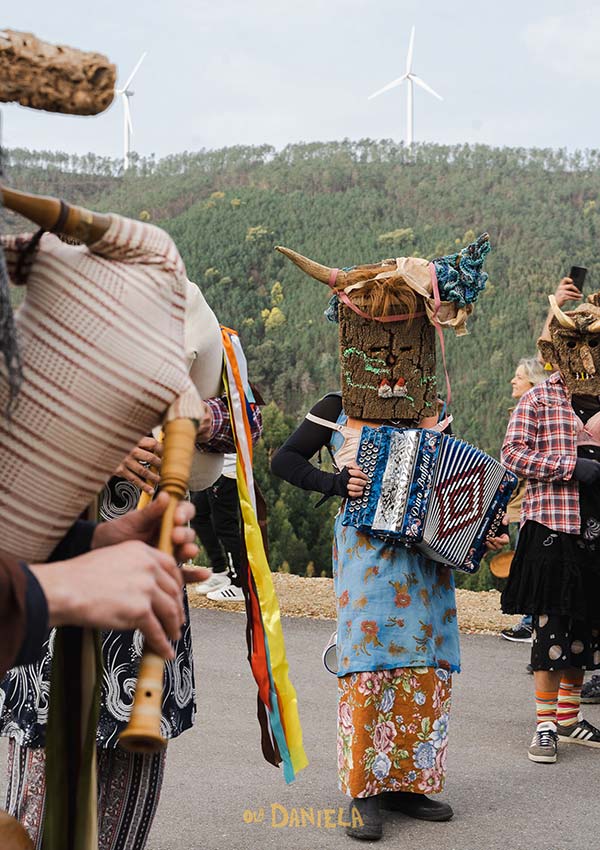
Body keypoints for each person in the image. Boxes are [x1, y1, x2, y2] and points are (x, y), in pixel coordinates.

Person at [273, 235, 497, 841]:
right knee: (369, 666)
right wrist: (335, 480)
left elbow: (457, 483)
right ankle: (362, 791)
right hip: (367, 562)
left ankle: (408, 784)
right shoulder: (337, 405)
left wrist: (479, 522)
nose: (394, 354)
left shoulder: (433, 411)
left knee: (421, 667)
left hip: (426, 564)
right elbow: (283, 462)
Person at [501, 288, 600, 763]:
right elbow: (512, 455)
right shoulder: (540, 398)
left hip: (595, 532)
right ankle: (544, 723)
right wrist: (568, 465)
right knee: (551, 627)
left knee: (587, 623)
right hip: (550, 528)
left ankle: (568, 717)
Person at [500, 357, 549, 644]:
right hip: (521, 503)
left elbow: (517, 467)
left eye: (518, 377)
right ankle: (532, 620)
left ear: (532, 383)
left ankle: (531, 622)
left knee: (528, 562)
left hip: (526, 504)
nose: (513, 381)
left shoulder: (530, 413)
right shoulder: (524, 410)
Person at [191, 454, 245, 601]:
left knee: (226, 526)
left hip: (227, 471)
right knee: (197, 513)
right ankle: (220, 570)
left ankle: (240, 583)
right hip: (212, 469)